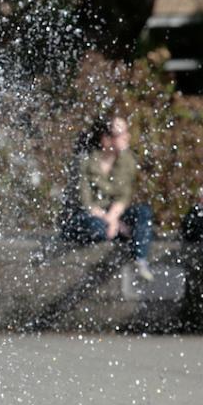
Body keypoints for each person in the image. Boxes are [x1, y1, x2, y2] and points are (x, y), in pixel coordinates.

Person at [62, 116, 156, 281]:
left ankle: (140, 260)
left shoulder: (127, 160)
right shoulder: (85, 161)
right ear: (106, 139)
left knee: (143, 212)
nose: (127, 137)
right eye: (121, 133)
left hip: (111, 216)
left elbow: (123, 197)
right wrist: (113, 222)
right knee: (96, 227)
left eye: (126, 132)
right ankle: (120, 233)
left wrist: (113, 218)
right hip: (88, 216)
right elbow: (85, 202)